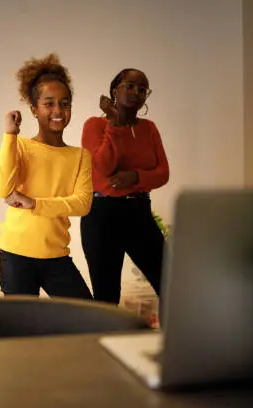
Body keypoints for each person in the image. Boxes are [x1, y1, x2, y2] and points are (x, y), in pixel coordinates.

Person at [0, 53, 93, 299]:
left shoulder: (80, 156)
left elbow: (82, 204)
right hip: (16, 256)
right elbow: (2, 188)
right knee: (22, 332)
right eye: (49, 103)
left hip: (56, 257)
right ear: (34, 109)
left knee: (87, 318)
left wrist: (34, 203)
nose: (58, 110)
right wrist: (9, 135)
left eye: (64, 103)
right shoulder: (21, 146)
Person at [80, 68, 169, 305]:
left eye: (142, 90)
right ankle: (108, 342)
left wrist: (135, 177)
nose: (136, 92)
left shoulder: (148, 128)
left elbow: (163, 174)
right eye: (129, 86)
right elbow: (102, 168)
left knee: (172, 286)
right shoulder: (94, 125)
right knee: (107, 297)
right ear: (114, 90)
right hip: (102, 216)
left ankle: (172, 341)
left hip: (138, 213)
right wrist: (115, 124)